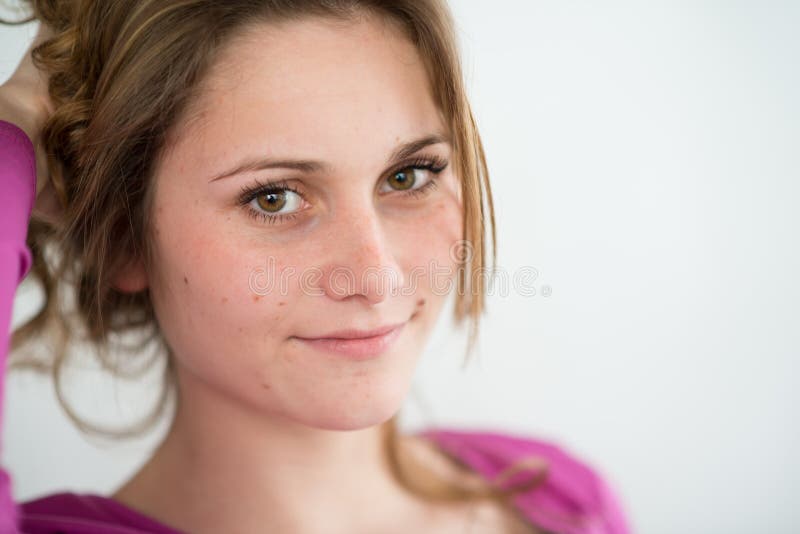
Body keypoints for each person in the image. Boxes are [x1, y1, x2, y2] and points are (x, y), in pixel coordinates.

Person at [0, 1, 632, 533]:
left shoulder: (556, 501)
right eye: (273, 197)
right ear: (122, 237)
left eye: (408, 176)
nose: (377, 276)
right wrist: (14, 126)